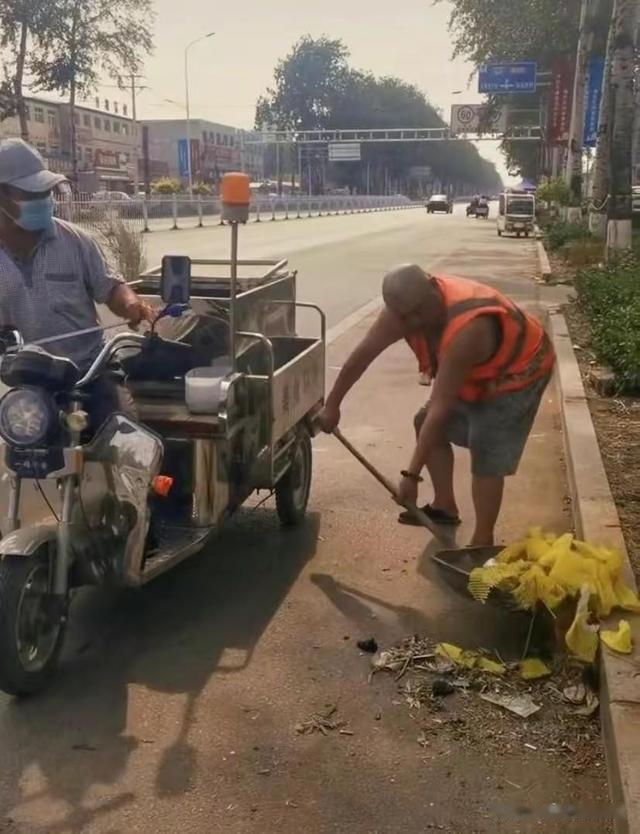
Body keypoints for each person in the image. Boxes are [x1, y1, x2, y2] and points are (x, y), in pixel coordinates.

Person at [317, 264, 555, 547]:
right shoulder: (401, 314)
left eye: (420, 310)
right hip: (478, 371)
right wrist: (332, 405)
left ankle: (482, 542)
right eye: (407, 316)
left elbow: (440, 408)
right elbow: (362, 355)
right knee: (424, 422)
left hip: (521, 367)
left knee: (487, 442)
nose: (416, 321)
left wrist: (411, 476)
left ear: (433, 285)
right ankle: (445, 506)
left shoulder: (468, 328)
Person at [0, 138, 155, 428]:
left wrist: (131, 304)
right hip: (29, 385)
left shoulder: (76, 240)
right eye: (31, 193)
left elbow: (110, 287)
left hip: (92, 373)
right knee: (22, 461)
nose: (43, 199)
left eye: (46, 192)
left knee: (126, 444)